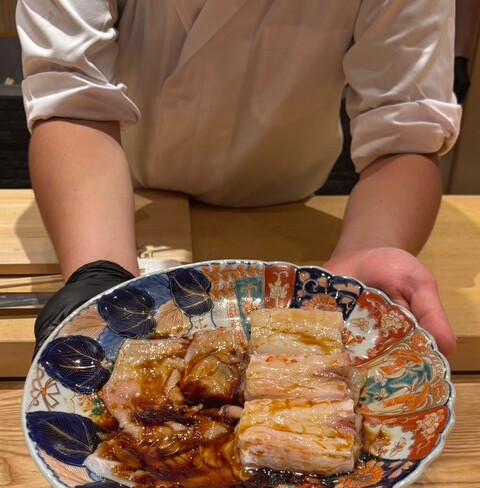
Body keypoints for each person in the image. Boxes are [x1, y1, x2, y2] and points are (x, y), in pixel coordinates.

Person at [16, 0, 462, 355]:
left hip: (288, 206)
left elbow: (405, 130)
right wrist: (102, 273)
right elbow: (74, 97)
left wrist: (368, 250)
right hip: (116, 201)